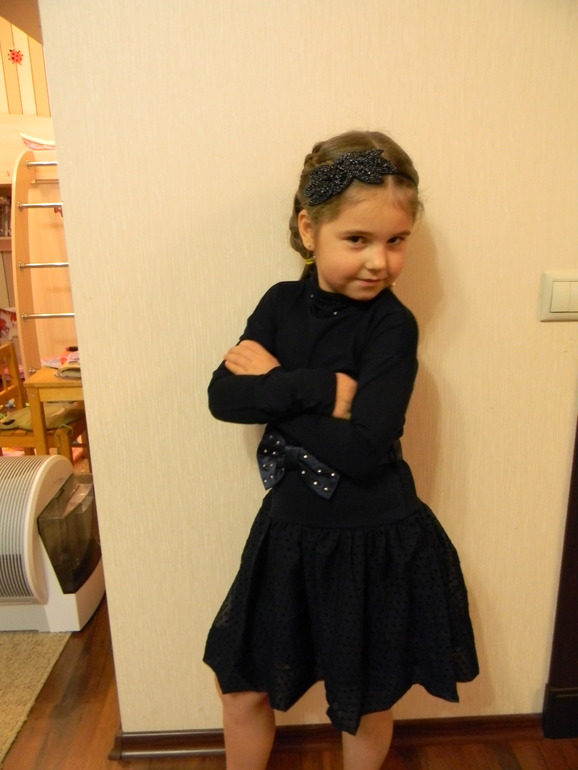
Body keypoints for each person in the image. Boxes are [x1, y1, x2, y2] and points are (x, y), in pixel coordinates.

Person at [203, 130, 479, 770]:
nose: (379, 261)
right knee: (241, 684)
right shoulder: (279, 305)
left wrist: (274, 386)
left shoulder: (391, 325)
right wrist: (324, 390)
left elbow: (361, 452)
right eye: (357, 239)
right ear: (309, 229)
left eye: (396, 240)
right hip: (288, 534)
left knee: (364, 700)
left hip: (375, 539)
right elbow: (224, 396)